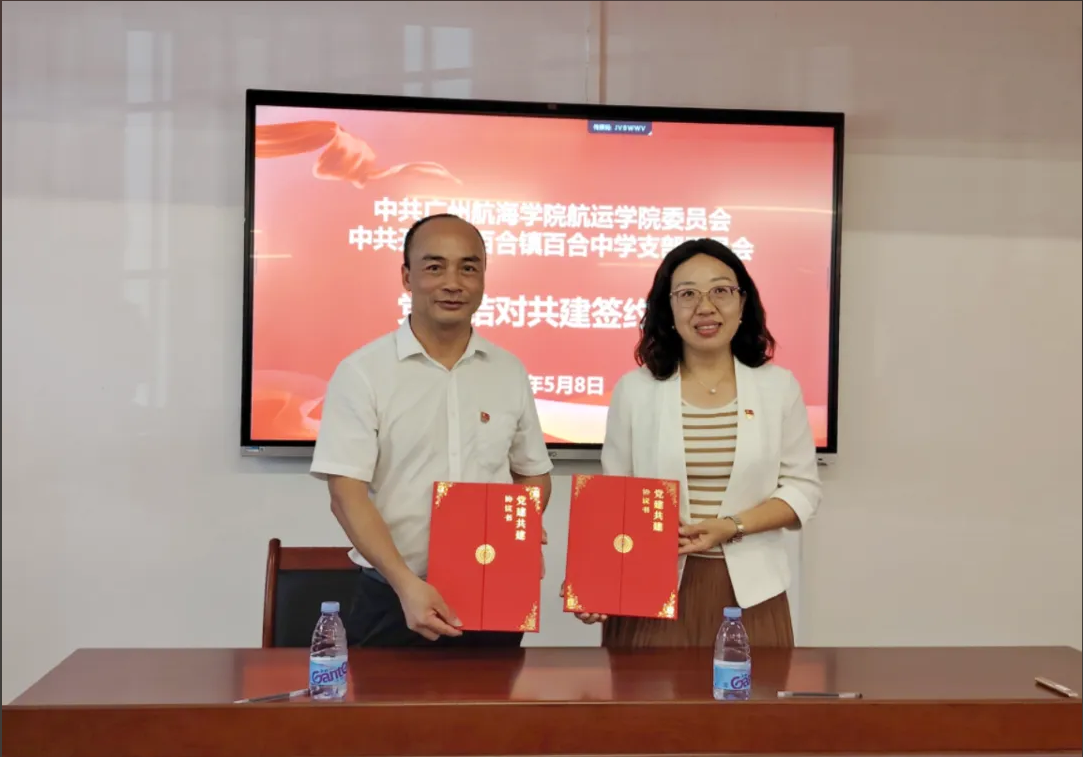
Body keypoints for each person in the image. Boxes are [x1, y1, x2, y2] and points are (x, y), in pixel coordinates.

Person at [311, 213, 554, 648]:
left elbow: (532, 473)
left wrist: (522, 528)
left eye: (468, 268)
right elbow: (345, 495)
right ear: (407, 277)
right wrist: (406, 584)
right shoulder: (363, 372)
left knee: (496, 696)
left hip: (492, 592)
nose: (453, 283)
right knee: (386, 698)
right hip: (393, 596)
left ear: (483, 277)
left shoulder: (508, 371)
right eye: (435, 267)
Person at [568, 238, 821, 648]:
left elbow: (802, 490)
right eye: (687, 294)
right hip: (649, 588)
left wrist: (730, 527)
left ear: (743, 302)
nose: (705, 307)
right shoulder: (635, 390)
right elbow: (615, 497)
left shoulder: (778, 387)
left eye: (721, 290)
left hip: (752, 592)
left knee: (754, 692)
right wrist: (594, 580)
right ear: (667, 310)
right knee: (644, 692)